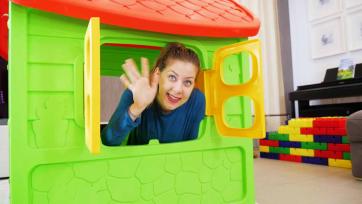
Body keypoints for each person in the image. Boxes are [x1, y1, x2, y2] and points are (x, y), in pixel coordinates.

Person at [101, 42, 206, 146]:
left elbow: (193, 147)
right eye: (172, 77)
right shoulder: (136, 93)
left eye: (187, 82)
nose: (178, 89)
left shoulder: (197, 100)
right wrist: (137, 107)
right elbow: (108, 141)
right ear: (158, 74)